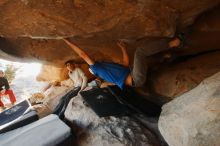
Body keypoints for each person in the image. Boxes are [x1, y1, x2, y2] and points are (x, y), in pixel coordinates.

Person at [63, 37, 182, 89]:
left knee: (141, 59)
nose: (92, 60)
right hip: (136, 79)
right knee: (140, 52)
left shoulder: (108, 69)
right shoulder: (98, 68)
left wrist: (123, 48)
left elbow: (125, 64)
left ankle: (165, 56)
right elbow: (83, 54)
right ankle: (173, 43)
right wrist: (68, 42)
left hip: (135, 77)